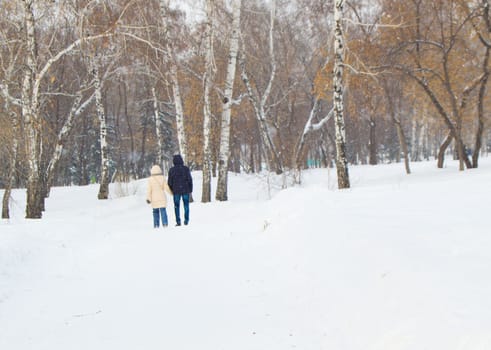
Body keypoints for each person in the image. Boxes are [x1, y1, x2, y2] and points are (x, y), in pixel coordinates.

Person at [167, 154, 193, 226]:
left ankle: (178, 221)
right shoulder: (186, 169)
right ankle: (186, 220)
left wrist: (172, 189)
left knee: (176, 206)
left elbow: (169, 182)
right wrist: (190, 189)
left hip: (176, 191)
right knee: (186, 205)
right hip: (185, 190)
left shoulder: (172, 170)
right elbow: (190, 180)